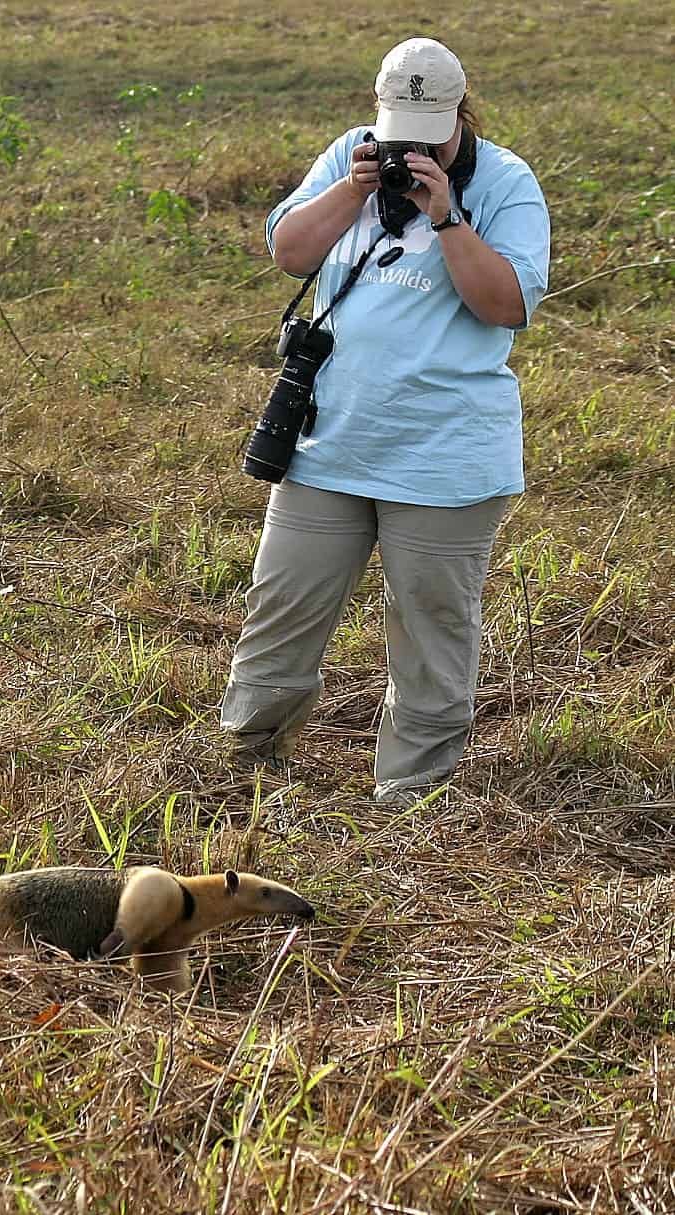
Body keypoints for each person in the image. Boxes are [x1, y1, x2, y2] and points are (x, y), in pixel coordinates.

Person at [220, 37, 550, 802]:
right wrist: (351, 190)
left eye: (426, 136)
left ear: (459, 115)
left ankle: (412, 796)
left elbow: (507, 304)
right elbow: (289, 251)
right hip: (328, 440)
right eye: (397, 132)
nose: (409, 148)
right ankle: (246, 764)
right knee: (281, 608)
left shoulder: (506, 182)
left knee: (433, 630)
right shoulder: (352, 154)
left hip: (444, 459)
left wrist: (446, 216)